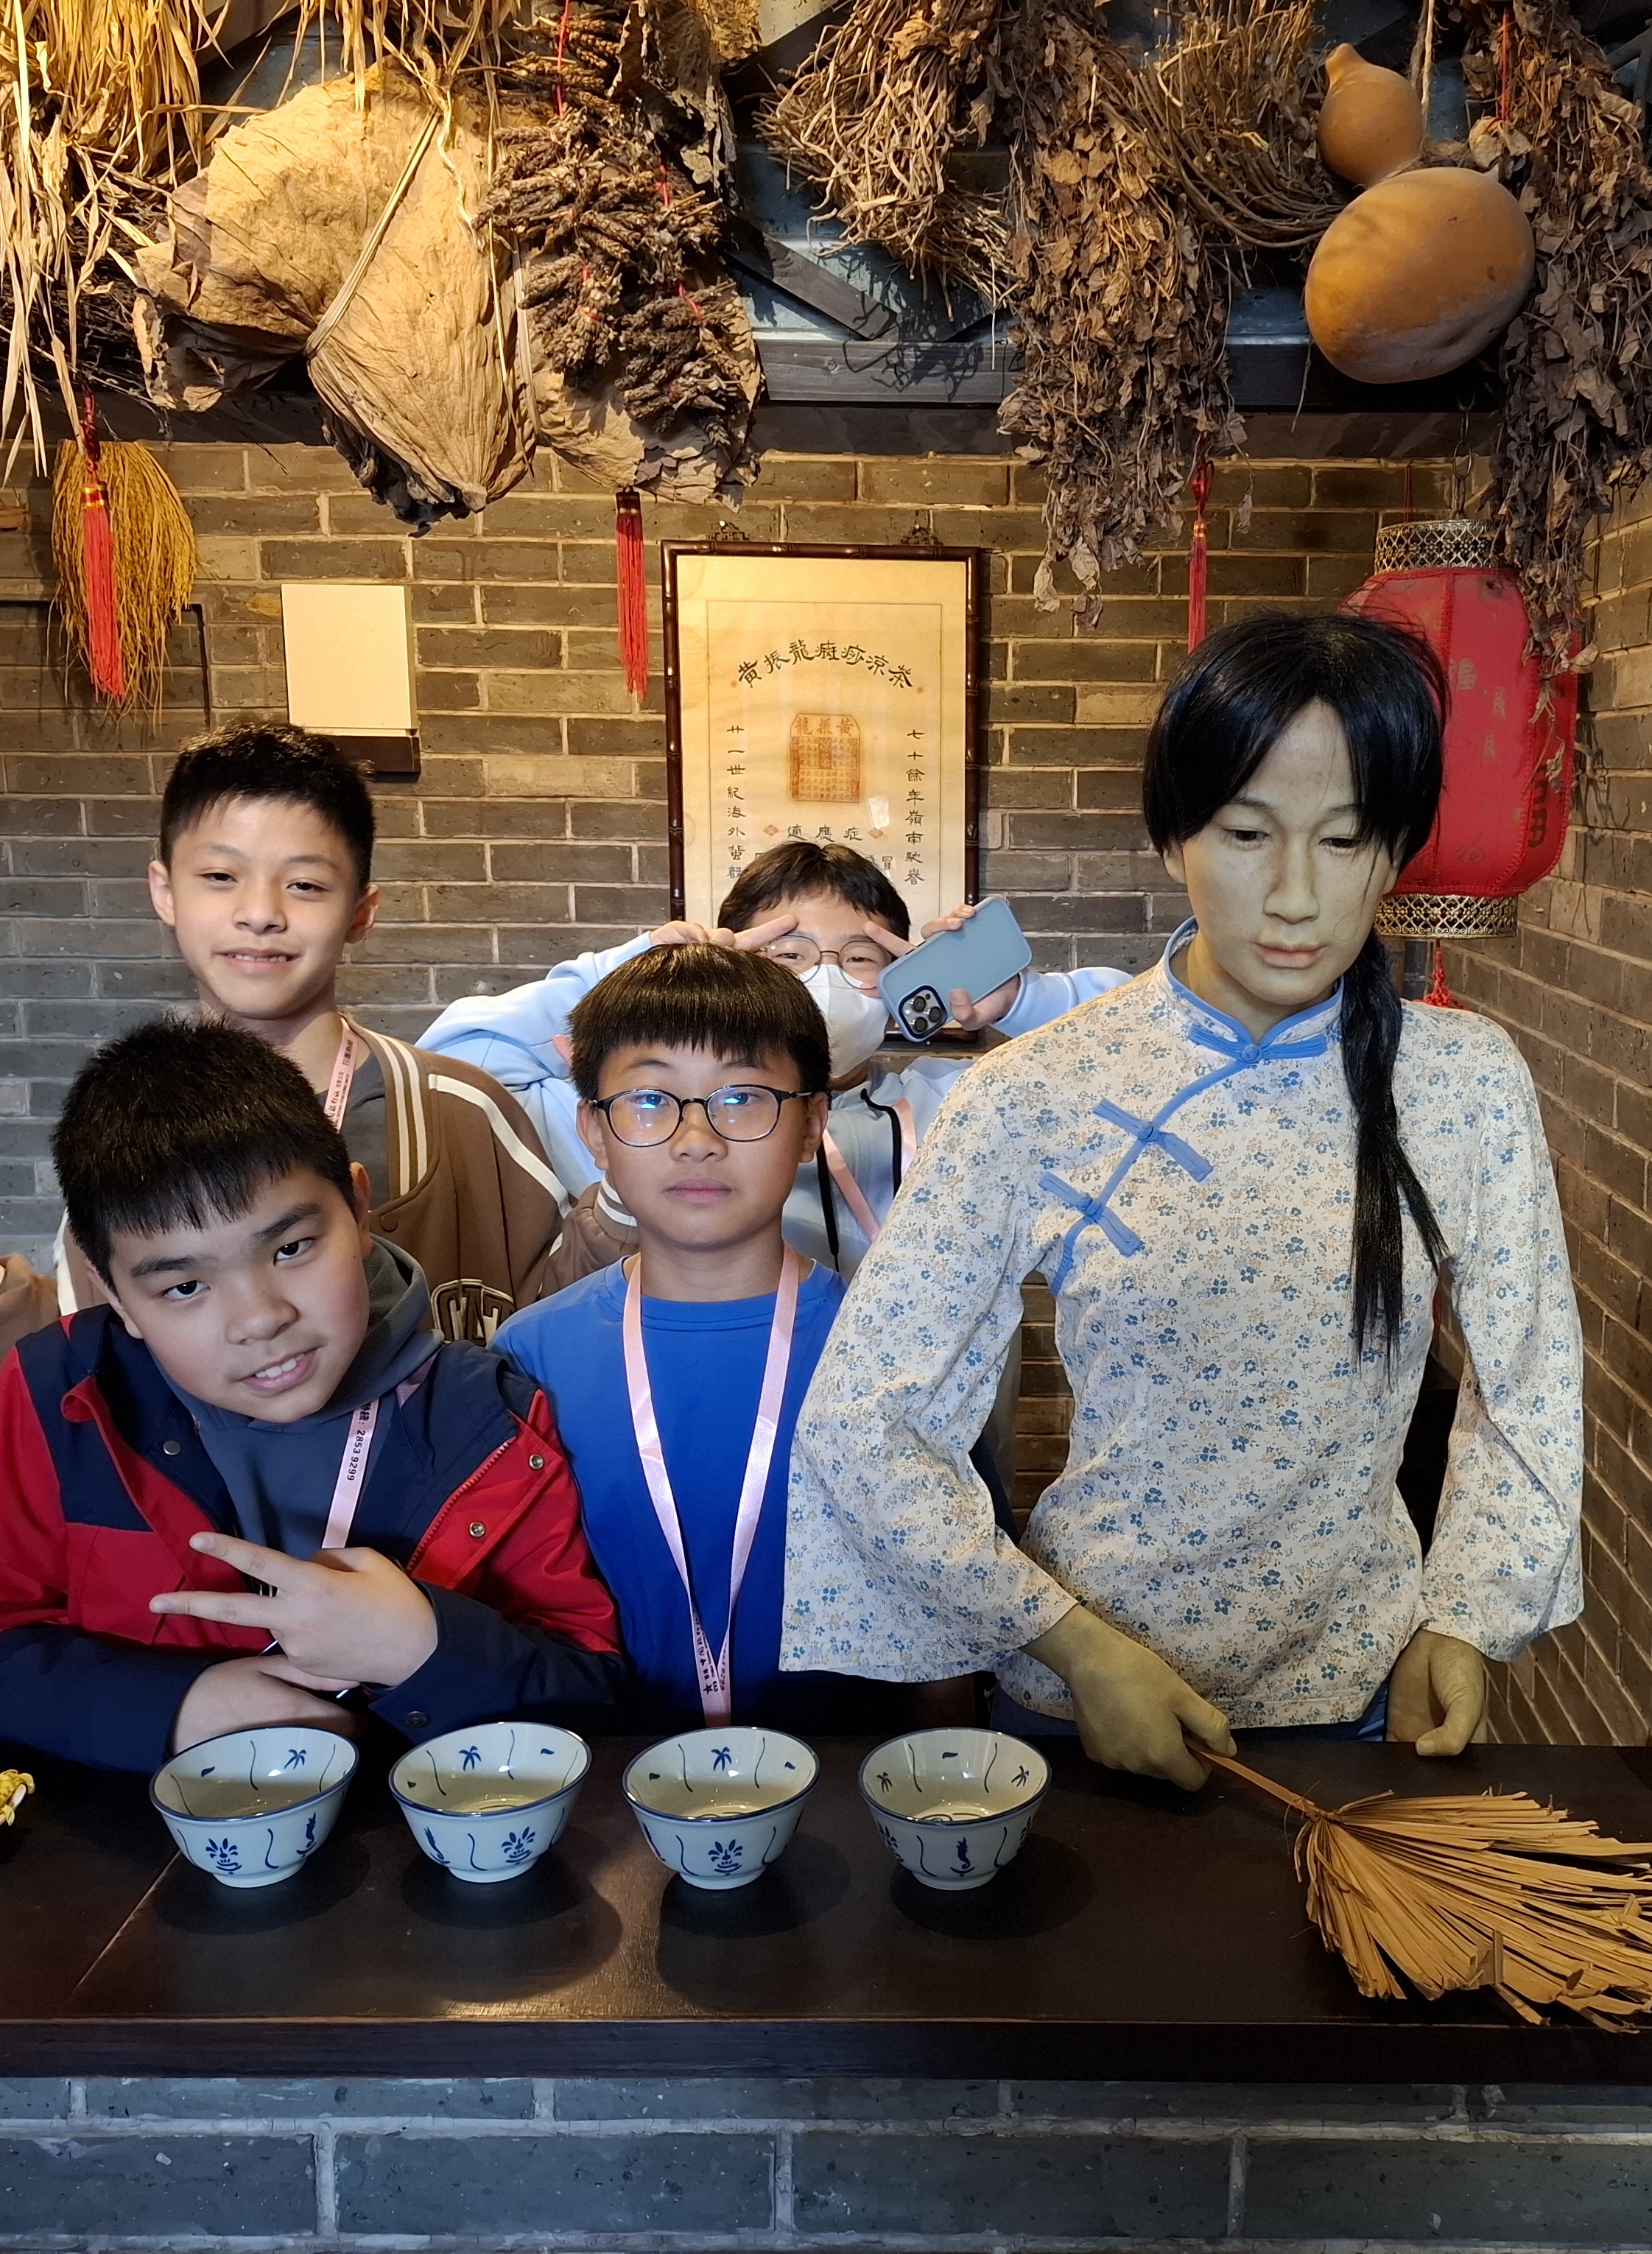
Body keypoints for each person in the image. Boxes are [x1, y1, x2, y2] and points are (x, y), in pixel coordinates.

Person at [783, 610, 1585, 1788]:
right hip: (1091, 1703)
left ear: (1398, 848)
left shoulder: (1462, 1083)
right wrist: (1068, 1645)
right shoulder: (1038, 1091)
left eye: (1346, 839)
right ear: (1175, 838)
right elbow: (865, 1421)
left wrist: (1470, 1616)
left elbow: (1532, 1387)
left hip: (1363, 1697)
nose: (1297, 896)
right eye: (1248, 834)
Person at [0, 1018, 622, 1772]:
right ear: (113, 1292)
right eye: (184, 1287)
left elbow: (591, 1690)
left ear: (358, 1211)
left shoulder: (492, 1417)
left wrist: (425, 1649)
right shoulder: (60, 1391)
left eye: (291, 1249)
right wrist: (175, 1706)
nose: (260, 1319)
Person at [0, 723, 569, 1408]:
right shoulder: (134, 1141)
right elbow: (84, 1397)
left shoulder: (460, 1111)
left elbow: (573, 1330)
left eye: (306, 884)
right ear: (165, 892)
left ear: (361, 910)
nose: (260, 913)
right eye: (221, 876)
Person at [490, 945, 922, 1735]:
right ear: (595, 1131)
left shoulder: (896, 1350)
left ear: (810, 1124)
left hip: (852, 1773)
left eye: (742, 1097)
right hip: (606, 1775)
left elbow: (949, 1608)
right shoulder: (529, 1356)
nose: (697, 1139)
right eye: (650, 1099)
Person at [423, 841, 1129, 1283]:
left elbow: (1145, 1055)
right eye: (788, 956)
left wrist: (1021, 1000)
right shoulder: (646, 1116)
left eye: (859, 958)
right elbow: (449, 1062)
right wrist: (638, 969)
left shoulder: (955, 1101)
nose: (823, 980)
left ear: (900, 981)